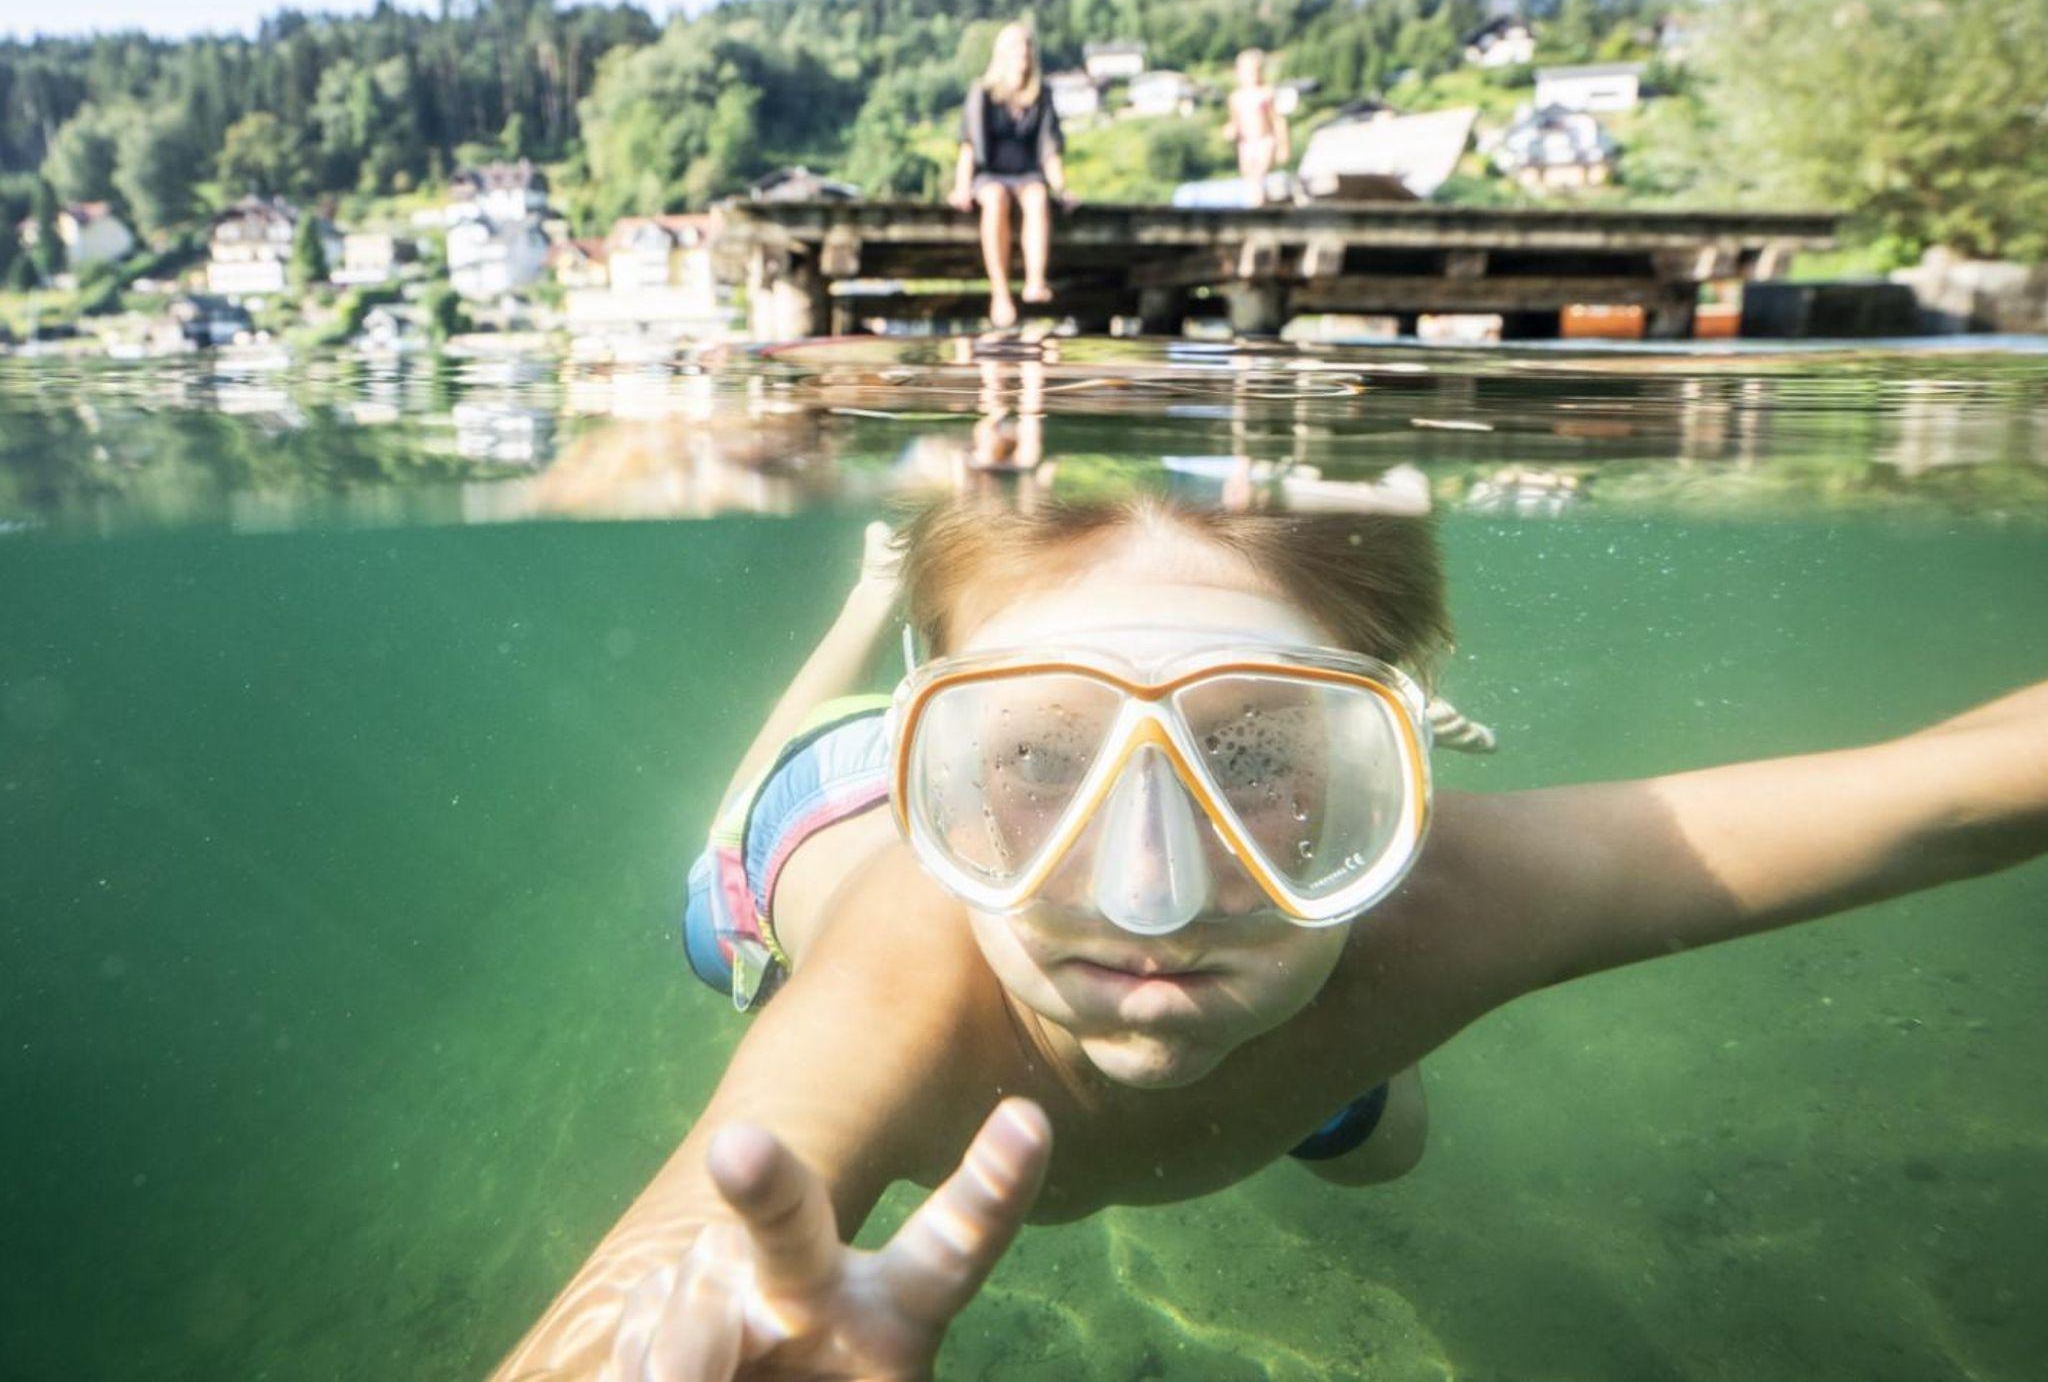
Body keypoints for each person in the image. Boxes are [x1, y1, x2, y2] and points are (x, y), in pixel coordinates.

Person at [491, 495, 2048, 1381]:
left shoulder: (1454, 895)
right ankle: (868, 622)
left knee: (1382, 1140)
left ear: (1388, 771)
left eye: (1254, 753)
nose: (1148, 896)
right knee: (737, 816)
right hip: (808, 826)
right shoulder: (894, 981)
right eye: (1033, 753)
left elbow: (1955, 802)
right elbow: (656, 1277)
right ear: (942, 768)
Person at [948, 23, 1073, 330]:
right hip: (989, 175)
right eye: (1016, 47)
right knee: (996, 199)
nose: (1023, 53)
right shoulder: (983, 92)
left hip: (1027, 175)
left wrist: (1062, 189)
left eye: (1027, 46)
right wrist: (962, 187)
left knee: (1038, 197)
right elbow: (969, 144)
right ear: (1002, 53)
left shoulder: (1041, 95)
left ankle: (1035, 281)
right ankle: (1000, 293)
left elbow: (1050, 150)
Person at [1223, 48, 1290, 203]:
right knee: (1249, 179)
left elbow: (1278, 121)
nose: (1252, 75)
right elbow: (1234, 122)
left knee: (1258, 179)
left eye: (1255, 70)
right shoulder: (1236, 98)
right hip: (1246, 144)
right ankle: (1262, 205)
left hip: (1265, 141)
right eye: (1248, 71)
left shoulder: (1266, 93)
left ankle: (1257, 207)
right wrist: (1230, 130)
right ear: (1239, 72)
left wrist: (1283, 147)